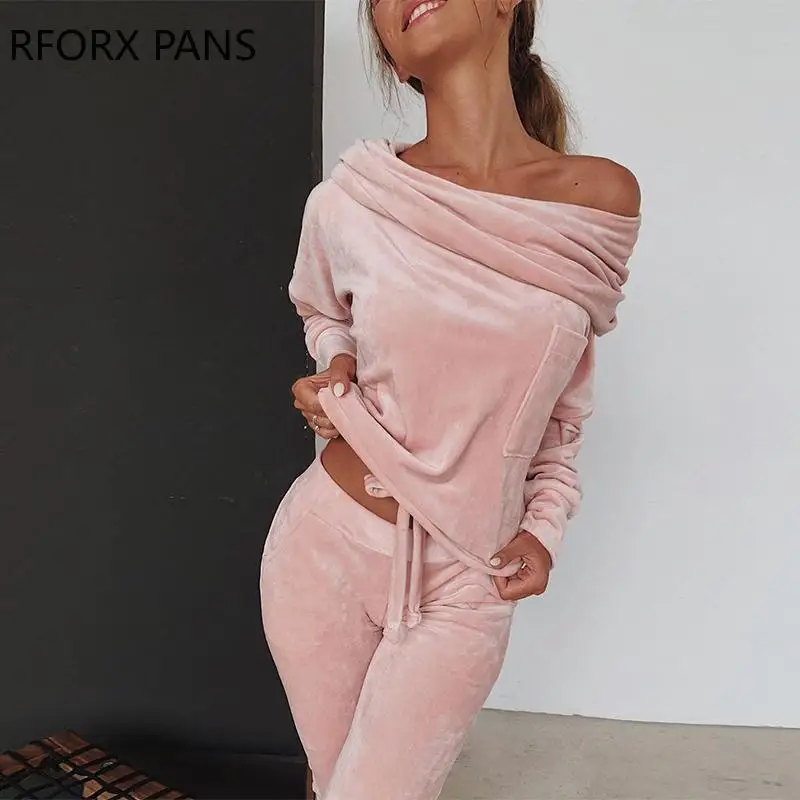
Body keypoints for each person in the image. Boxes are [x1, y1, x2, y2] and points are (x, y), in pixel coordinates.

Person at [259, 1, 642, 798]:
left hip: (466, 574)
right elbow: (323, 312)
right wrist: (334, 368)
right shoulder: (351, 198)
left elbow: (563, 407)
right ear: (396, 60)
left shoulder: (597, 200)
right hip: (320, 546)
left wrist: (543, 526)